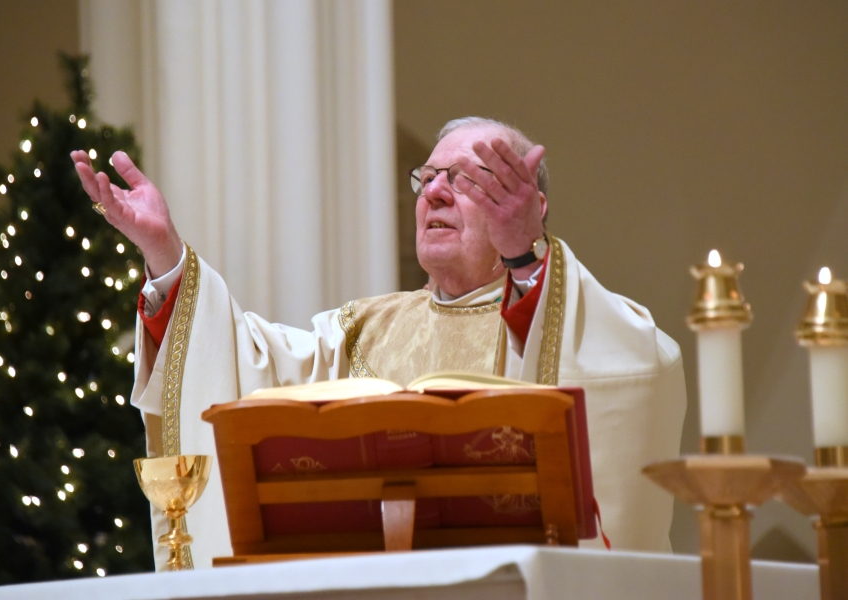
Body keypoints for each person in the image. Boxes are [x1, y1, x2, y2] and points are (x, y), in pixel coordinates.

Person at [72, 117, 686, 569]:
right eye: (430, 178)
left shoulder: (569, 312)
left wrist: (526, 258)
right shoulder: (364, 329)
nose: (435, 193)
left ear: (532, 207)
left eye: (471, 179)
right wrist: (165, 254)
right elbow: (245, 367)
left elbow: (638, 371)